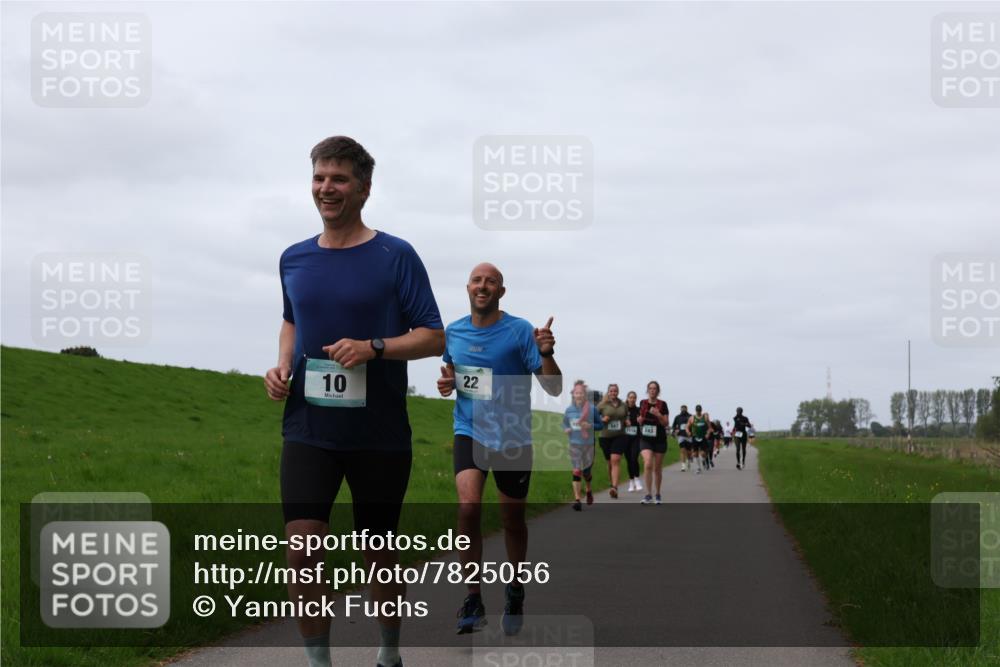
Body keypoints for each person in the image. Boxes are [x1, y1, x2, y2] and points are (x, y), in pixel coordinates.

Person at [264, 136, 444, 667]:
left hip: (379, 433)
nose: (326, 188)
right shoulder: (293, 258)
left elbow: (433, 336)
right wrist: (281, 365)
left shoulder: (395, 255)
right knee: (302, 550)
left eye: (339, 179)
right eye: (320, 177)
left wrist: (375, 348)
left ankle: (389, 654)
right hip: (308, 428)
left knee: (378, 556)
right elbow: (292, 319)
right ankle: (319, 662)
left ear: (364, 188)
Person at [437, 262, 562, 636]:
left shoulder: (521, 331)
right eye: (477, 280)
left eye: (491, 281)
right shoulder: (454, 332)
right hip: (470, 430)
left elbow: (553, 387)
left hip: (512, 436)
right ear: (468, 288)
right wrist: (448, 385)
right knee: (468, 507)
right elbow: (455, 378)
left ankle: (515, 588)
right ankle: (473, 598)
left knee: (512, 520)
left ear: (501, 292)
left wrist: (546, 353)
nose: (483, 286)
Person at [563, 381, 597, 511]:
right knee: (576, 470)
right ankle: (577, 499)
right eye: (577, 393)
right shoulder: (569, 410)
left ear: (585, 395)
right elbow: (565, 423)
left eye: (581, 393)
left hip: (589, 445)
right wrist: (566, 429)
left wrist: (591, 426)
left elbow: (600, 425)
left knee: (586, 472)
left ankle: (588, 490)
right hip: (574, 444)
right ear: (573, 394)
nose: (579, 395)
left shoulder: (592, 409)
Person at [638, 381, 670, 504]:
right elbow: (639, 419)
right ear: (647, 390)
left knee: (657, 468)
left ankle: (657, 494)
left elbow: (666, 423)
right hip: (645, 438)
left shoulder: (663, 404)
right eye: (650, 388)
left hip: (660, 439)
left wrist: (659, 414)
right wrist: (639, 420)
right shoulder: (642, 403)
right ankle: (648, 494)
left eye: (654, 388)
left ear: (658, 391)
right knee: (647, 464)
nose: (652, 390)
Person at [597, 384, 629, 498]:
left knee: (615, 459)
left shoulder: (624, 405)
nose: (613, 393)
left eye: (615, 391)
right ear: (608, 392)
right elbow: (594, 418)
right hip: (605, 437)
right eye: (611, 391)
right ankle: (612, 484)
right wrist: (602, 419)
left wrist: (627, 421)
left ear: (618, 392)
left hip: (620, 436)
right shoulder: (602, 405)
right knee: (610, 463)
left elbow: (626, 416)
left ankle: (615, 487)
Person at [623, 391, 643, 492]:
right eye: (630, 397)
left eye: (634, 398)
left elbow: (643, 420)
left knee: (634, 457)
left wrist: (641, 420)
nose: (632, 399)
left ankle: (637, 478)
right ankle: (631, 481)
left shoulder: (639, 410)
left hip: (636, 437)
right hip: (625, 438)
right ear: (627, 398)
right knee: (628, 460)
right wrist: (623, 421)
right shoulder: (623, 409)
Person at [687, 405, 712, 474]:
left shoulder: (705, 417)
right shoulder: (692, 418)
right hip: (695, 437)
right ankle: (698, 468)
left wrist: (708, 433)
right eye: (697, 411)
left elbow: (710, 427)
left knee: (703, 453)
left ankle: (704, 460)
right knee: (695, 454)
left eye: (699, 410)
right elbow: (687, 427)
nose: (698, 412)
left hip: (703, 437)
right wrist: (688, 432)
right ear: (696, 410)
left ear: (701, 410)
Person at [672, 405, 692, 472]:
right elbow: (673, 426)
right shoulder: (677, 417)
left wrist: (691, 432)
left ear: (686, 409)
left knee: (689, 452)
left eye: (684, 408)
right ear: (680, 409)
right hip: (681, 436)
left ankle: (689, 460)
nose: (683, 409)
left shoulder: (690, 416)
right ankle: (683, 466)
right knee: (682, 450)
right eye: (682, 408)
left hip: (689, 436)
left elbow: (694, 425)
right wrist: (675, 431)